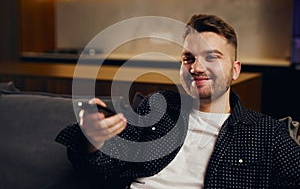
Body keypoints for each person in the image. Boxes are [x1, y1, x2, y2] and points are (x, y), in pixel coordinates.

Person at [55, 14, 300, 189]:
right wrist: (94, 142)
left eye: (212, 57)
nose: (197, 67)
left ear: (235, 70)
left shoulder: (267, 133)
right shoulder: (158, 107)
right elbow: (102, 172)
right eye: (188, 58)